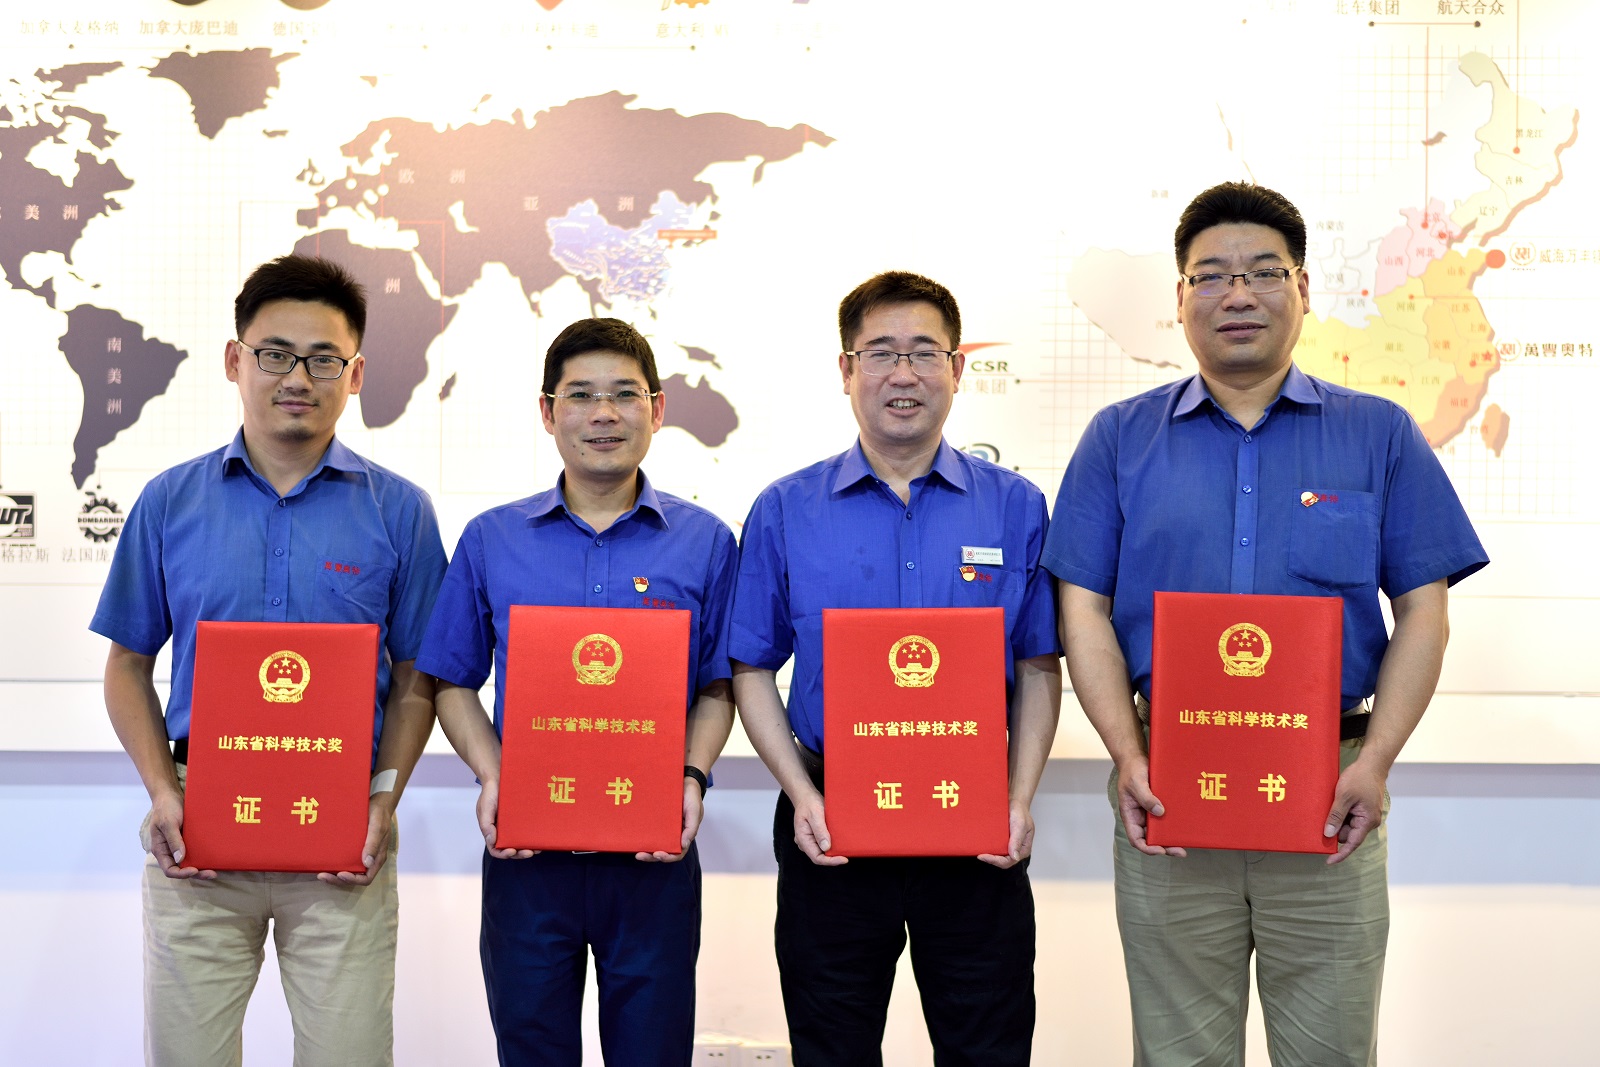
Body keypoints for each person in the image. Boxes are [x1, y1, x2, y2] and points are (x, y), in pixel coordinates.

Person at [1046, 181, 1489, 1065]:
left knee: (1331, 1052)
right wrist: (1127, 755)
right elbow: (1080, 608)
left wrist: (1375, 762)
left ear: (1304, 289)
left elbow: (1424, 611)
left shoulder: (1379, 434)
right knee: (1177, 1053)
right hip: (1168, 791)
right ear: (1180, 297)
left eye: (1263, 271)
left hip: (1329, 800)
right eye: (1211, 275)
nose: (1238, 294)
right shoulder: (1119, 439)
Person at [91, 254, 448, 1067]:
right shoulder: (169, 501)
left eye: (324, 360)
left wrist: (383, 799)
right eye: (276, 353)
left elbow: (417, 681)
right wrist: (162, 791)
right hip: (200, 838)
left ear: (355, 375)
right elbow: (127, 663)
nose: (298, 378)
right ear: (235, 360)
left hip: (343, 838)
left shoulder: (400, 511)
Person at [729, 271, 1062, 1066]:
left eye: (923, 352)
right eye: (880, 352)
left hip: (971, 819)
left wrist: (1018, 798)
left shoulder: (1016, 506)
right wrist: (801, 794)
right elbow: (750, 667)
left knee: (988, 1046)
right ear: (847, 370)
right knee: (831, 1047)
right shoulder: (784, 509)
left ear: (958, 368)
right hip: (831, 823)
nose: (902, 373)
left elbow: (1039, 665)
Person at [414, 317, 737, 1067]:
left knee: (653, 1052)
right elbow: (452, 680)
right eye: (582, 395)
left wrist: (691, 777)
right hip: (529, 855)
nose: (604, 414)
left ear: (657, 409)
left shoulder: (707, 541)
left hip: (654, 854)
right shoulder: (492, 539)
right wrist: (495, 774)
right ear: (548, 410)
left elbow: (719, 686)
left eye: (625, 395)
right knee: (532, 1048)